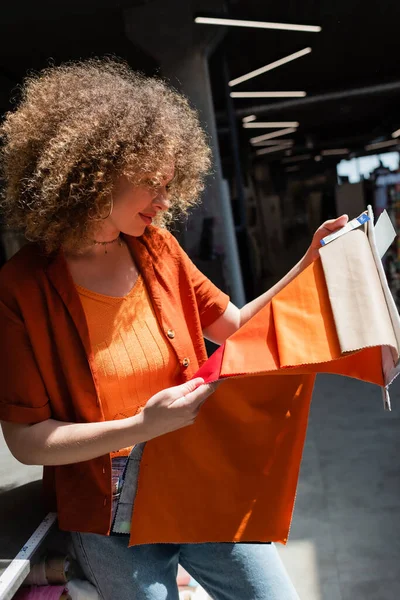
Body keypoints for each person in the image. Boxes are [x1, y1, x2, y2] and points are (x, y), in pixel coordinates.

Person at [0, 58, 347, 600]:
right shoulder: (22, 288)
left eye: (169, 184)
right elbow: (25, 441)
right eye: (150, 185)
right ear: (94, 172)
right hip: (108, 516)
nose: (166, 201)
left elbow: (231, 327)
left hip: (196, 482)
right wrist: (141, 424)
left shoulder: (158, 249)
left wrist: (307, 267)